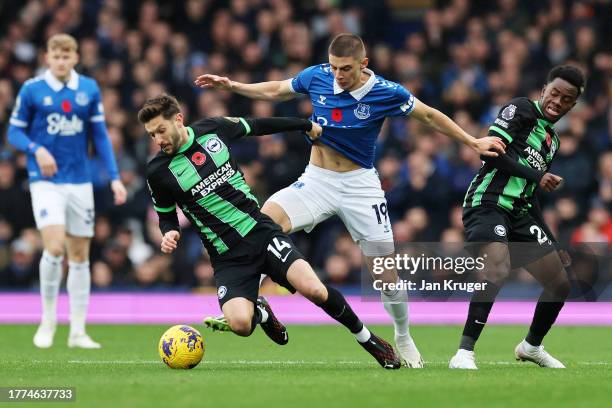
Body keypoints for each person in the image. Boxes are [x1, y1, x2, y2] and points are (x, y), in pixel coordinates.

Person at [195, 33, 506, 367]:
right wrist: (232, 86)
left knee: (385, 274)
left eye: (345, 68)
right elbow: (276, 90)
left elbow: (429, 116)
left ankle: (403, 334)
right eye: (334, 67)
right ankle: (251, 302)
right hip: (316, 180)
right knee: (262, 221)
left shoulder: (387, 92)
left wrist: (472, 142)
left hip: (360, 186)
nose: (338, 75)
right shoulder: (317, 77)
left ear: (363, 64)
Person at [139, 93, 401, 369]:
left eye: (161, 130)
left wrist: (302, 124)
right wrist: (170, 232)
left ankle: (368, 339)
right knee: (240, 325)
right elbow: (166, 215)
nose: (158, 139)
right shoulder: (157, 171)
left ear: (178, 119)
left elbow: (258, 125)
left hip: (262, 234)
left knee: (314, 290)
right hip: (227, 257)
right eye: (152, 135)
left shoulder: (213, 129)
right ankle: (261, 312)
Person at [449, 65, 586, 369]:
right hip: (487, 202)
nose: (557, 102)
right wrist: (538, 175)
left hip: (520, 213)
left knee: (559, 284)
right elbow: (490, 153)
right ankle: (464, 352)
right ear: (543, 90)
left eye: (566, 99)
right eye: (554, 93)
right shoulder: (520, 109)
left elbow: (529, 191)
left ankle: (531, 347)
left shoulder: (553, 140)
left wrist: (551, 239)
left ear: (572, 105)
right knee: (497, 267)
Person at [7, 33, 127, 348]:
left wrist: (113, 177)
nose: (61, 61)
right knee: (55, 246)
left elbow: (100, 135)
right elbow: (13, 132)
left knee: (79, 256)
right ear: (47, 57)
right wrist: (36, 149)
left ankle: (77, 331)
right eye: (55, 56)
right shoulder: (32, 89)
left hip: (80, 181)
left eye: (66, 56)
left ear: (75, 58)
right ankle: (47, 320)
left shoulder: (88, 89)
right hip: (45, 181)